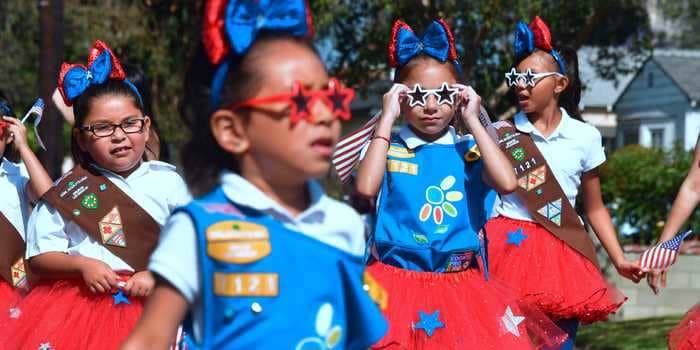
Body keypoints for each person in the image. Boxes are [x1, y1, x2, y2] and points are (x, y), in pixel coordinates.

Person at [121, 1, 386, 349]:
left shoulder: (345, 226)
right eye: (301, 102)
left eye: (331, 98)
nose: (325, 117)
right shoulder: (198, 228)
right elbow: (149, 340)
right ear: (232, 130)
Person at [351, 18, 567, 349]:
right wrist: (386, 118)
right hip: (394, 281)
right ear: (399, 97)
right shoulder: (386, 147)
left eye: (444, 94)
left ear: (460, 96)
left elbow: (508, 182)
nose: (432, 105)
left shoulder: (468, 150)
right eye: (418, 95)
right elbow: (365, 189)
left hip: (458, 286)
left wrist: (473, 120)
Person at [0, 40, 190, 350]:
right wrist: (81, 266)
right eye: (102, 128)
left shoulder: (168, 182)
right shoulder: (67, 190)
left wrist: (157, 273)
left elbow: (190, 245)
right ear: (82, 138)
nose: (119, 135)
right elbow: (40, 254)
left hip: (156, 307)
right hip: (80, 312)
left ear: (146, 127)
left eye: (130, 124)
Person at [483, 16, 645, 349]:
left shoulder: (584, 136)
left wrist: (619, 259)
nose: (521, 86)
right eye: (516, 77)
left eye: (531, 78)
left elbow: (594, 207)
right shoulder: (500, 134)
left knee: (559, 343)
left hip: (562, 254)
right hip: (507, 248)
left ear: (560, 84)